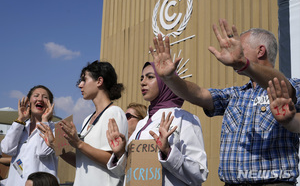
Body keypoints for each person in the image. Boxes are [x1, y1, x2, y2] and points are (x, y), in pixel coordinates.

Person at [149, 19, 300, 185]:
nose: (232, 50)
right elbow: (199, 94)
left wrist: (244, 64)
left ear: (260, 51)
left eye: (239, 47)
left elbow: (283, 85)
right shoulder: (235, 95)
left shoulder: (289, 86)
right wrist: (170, 78)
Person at [106, 62, 208, 186]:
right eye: (141, 78)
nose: (142, 82)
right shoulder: (141, 125)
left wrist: (168, 152)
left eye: (150, 77)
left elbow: (199, 174)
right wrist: (120, 153)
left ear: (165, 82)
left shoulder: (185, 119)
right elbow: (130, 173)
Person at [38, 60, 128, 186]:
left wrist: (79, 144)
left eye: (84, 80)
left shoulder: (114, 113)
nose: (80, 85)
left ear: (99, 81)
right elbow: (81, 163)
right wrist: (56, 147)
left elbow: (113, 161)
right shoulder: (87, 119)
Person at [1, 85, 57, 186]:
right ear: (29, 102)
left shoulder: (57, 129)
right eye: (36, 95)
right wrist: (20, 120)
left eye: (45, 97)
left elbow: (42, 152)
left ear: (50, 105)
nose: (40, 99)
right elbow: (6, 149)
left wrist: (44, 121)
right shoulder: (21, 126)